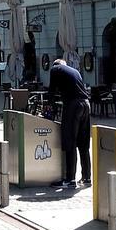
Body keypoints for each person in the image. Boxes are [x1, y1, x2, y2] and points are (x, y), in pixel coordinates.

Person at [49, 59, 91, 189]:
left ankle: (70, 179)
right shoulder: (75, 71)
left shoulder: (55, 69)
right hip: (86, 104)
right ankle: (87, 177)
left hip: (72, 105)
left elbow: (52, 90)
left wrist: (51, 108)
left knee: (70, 141)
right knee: (83, 143)